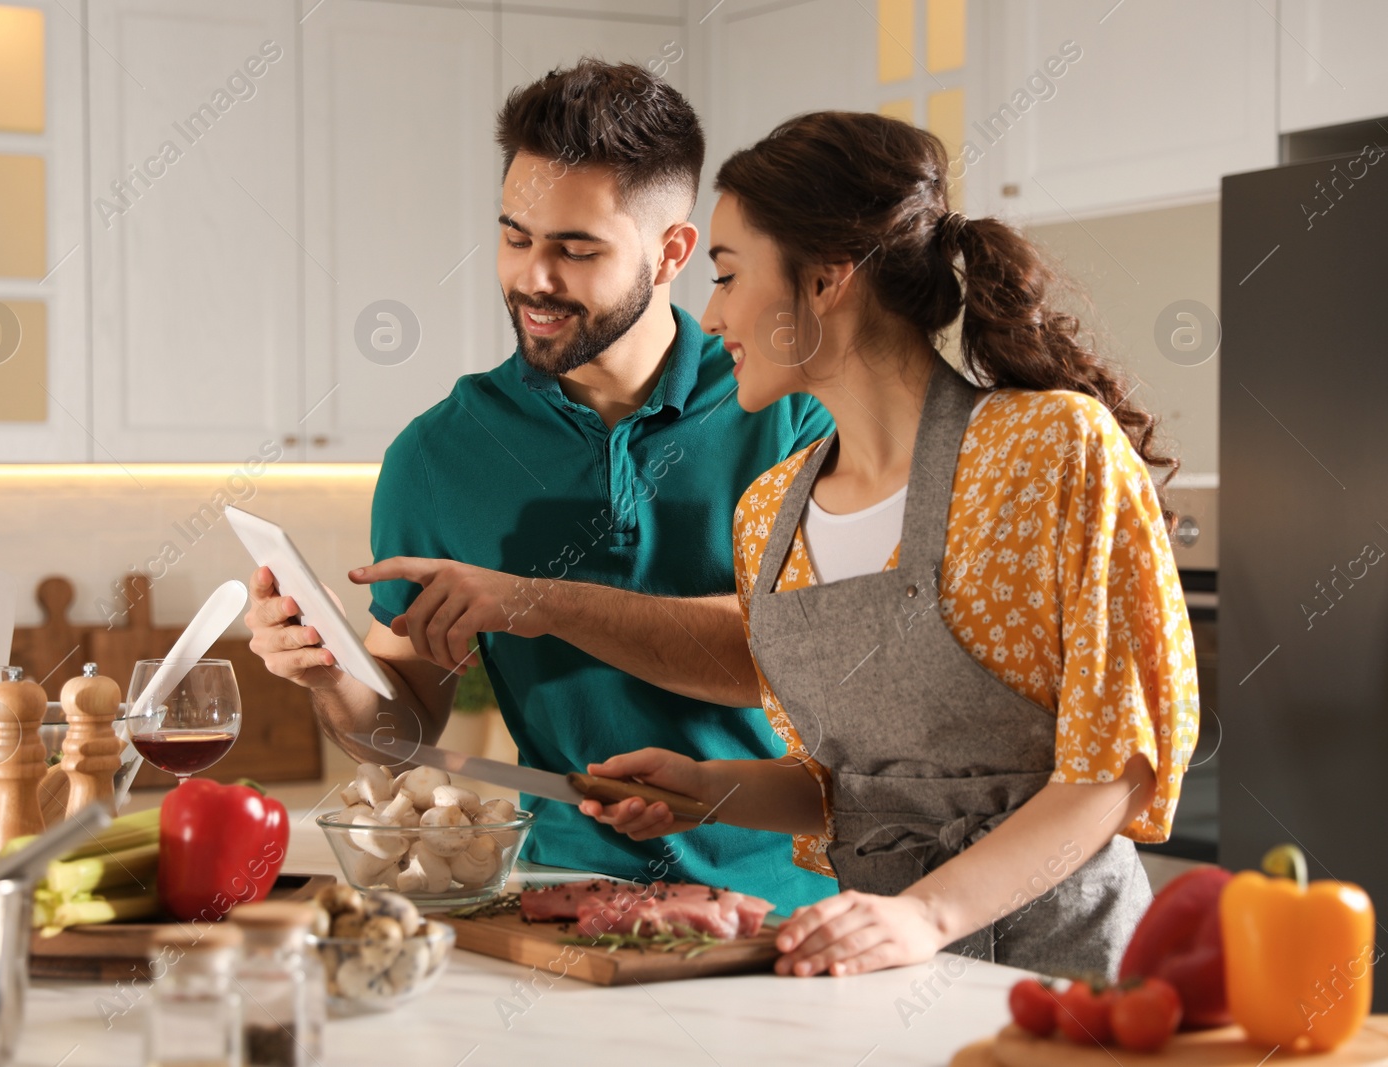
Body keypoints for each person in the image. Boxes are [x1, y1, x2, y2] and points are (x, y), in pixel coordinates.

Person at [579, 111, 1200, 977]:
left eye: (725, 275)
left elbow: (1117, 769)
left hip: (1062, 971)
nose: (711, 313)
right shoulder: (771, 512)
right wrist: (706, 787)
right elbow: (845, 792)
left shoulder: (1051, 450)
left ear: (829, 280)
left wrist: (927, 914)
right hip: (882, 965)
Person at [246, 60, 837, 910]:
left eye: (576, 249)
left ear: (673, 251)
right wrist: (330, 675)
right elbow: (405, 732)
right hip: (561, 897)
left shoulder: (788, 407)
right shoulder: (439, 454)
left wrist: (531, 600)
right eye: (516, 236)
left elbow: (797, 658)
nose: (534, 278)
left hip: (797, 899)